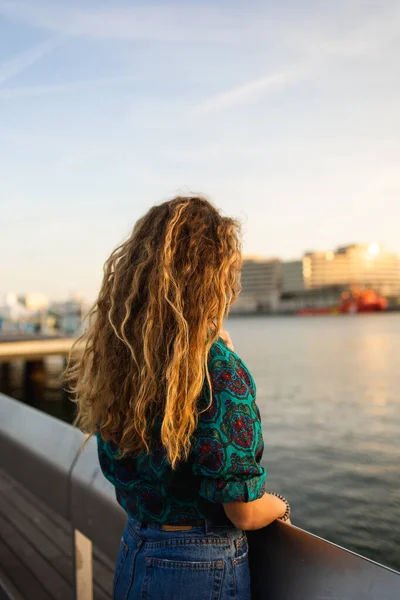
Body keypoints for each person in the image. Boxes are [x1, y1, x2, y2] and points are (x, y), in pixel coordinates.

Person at [65, 196, 290, 600]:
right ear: (211, 279)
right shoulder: (216, 369)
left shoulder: (126, 359)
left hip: (136, 548)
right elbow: (243, 509)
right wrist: (281, 506)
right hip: (199, 569)